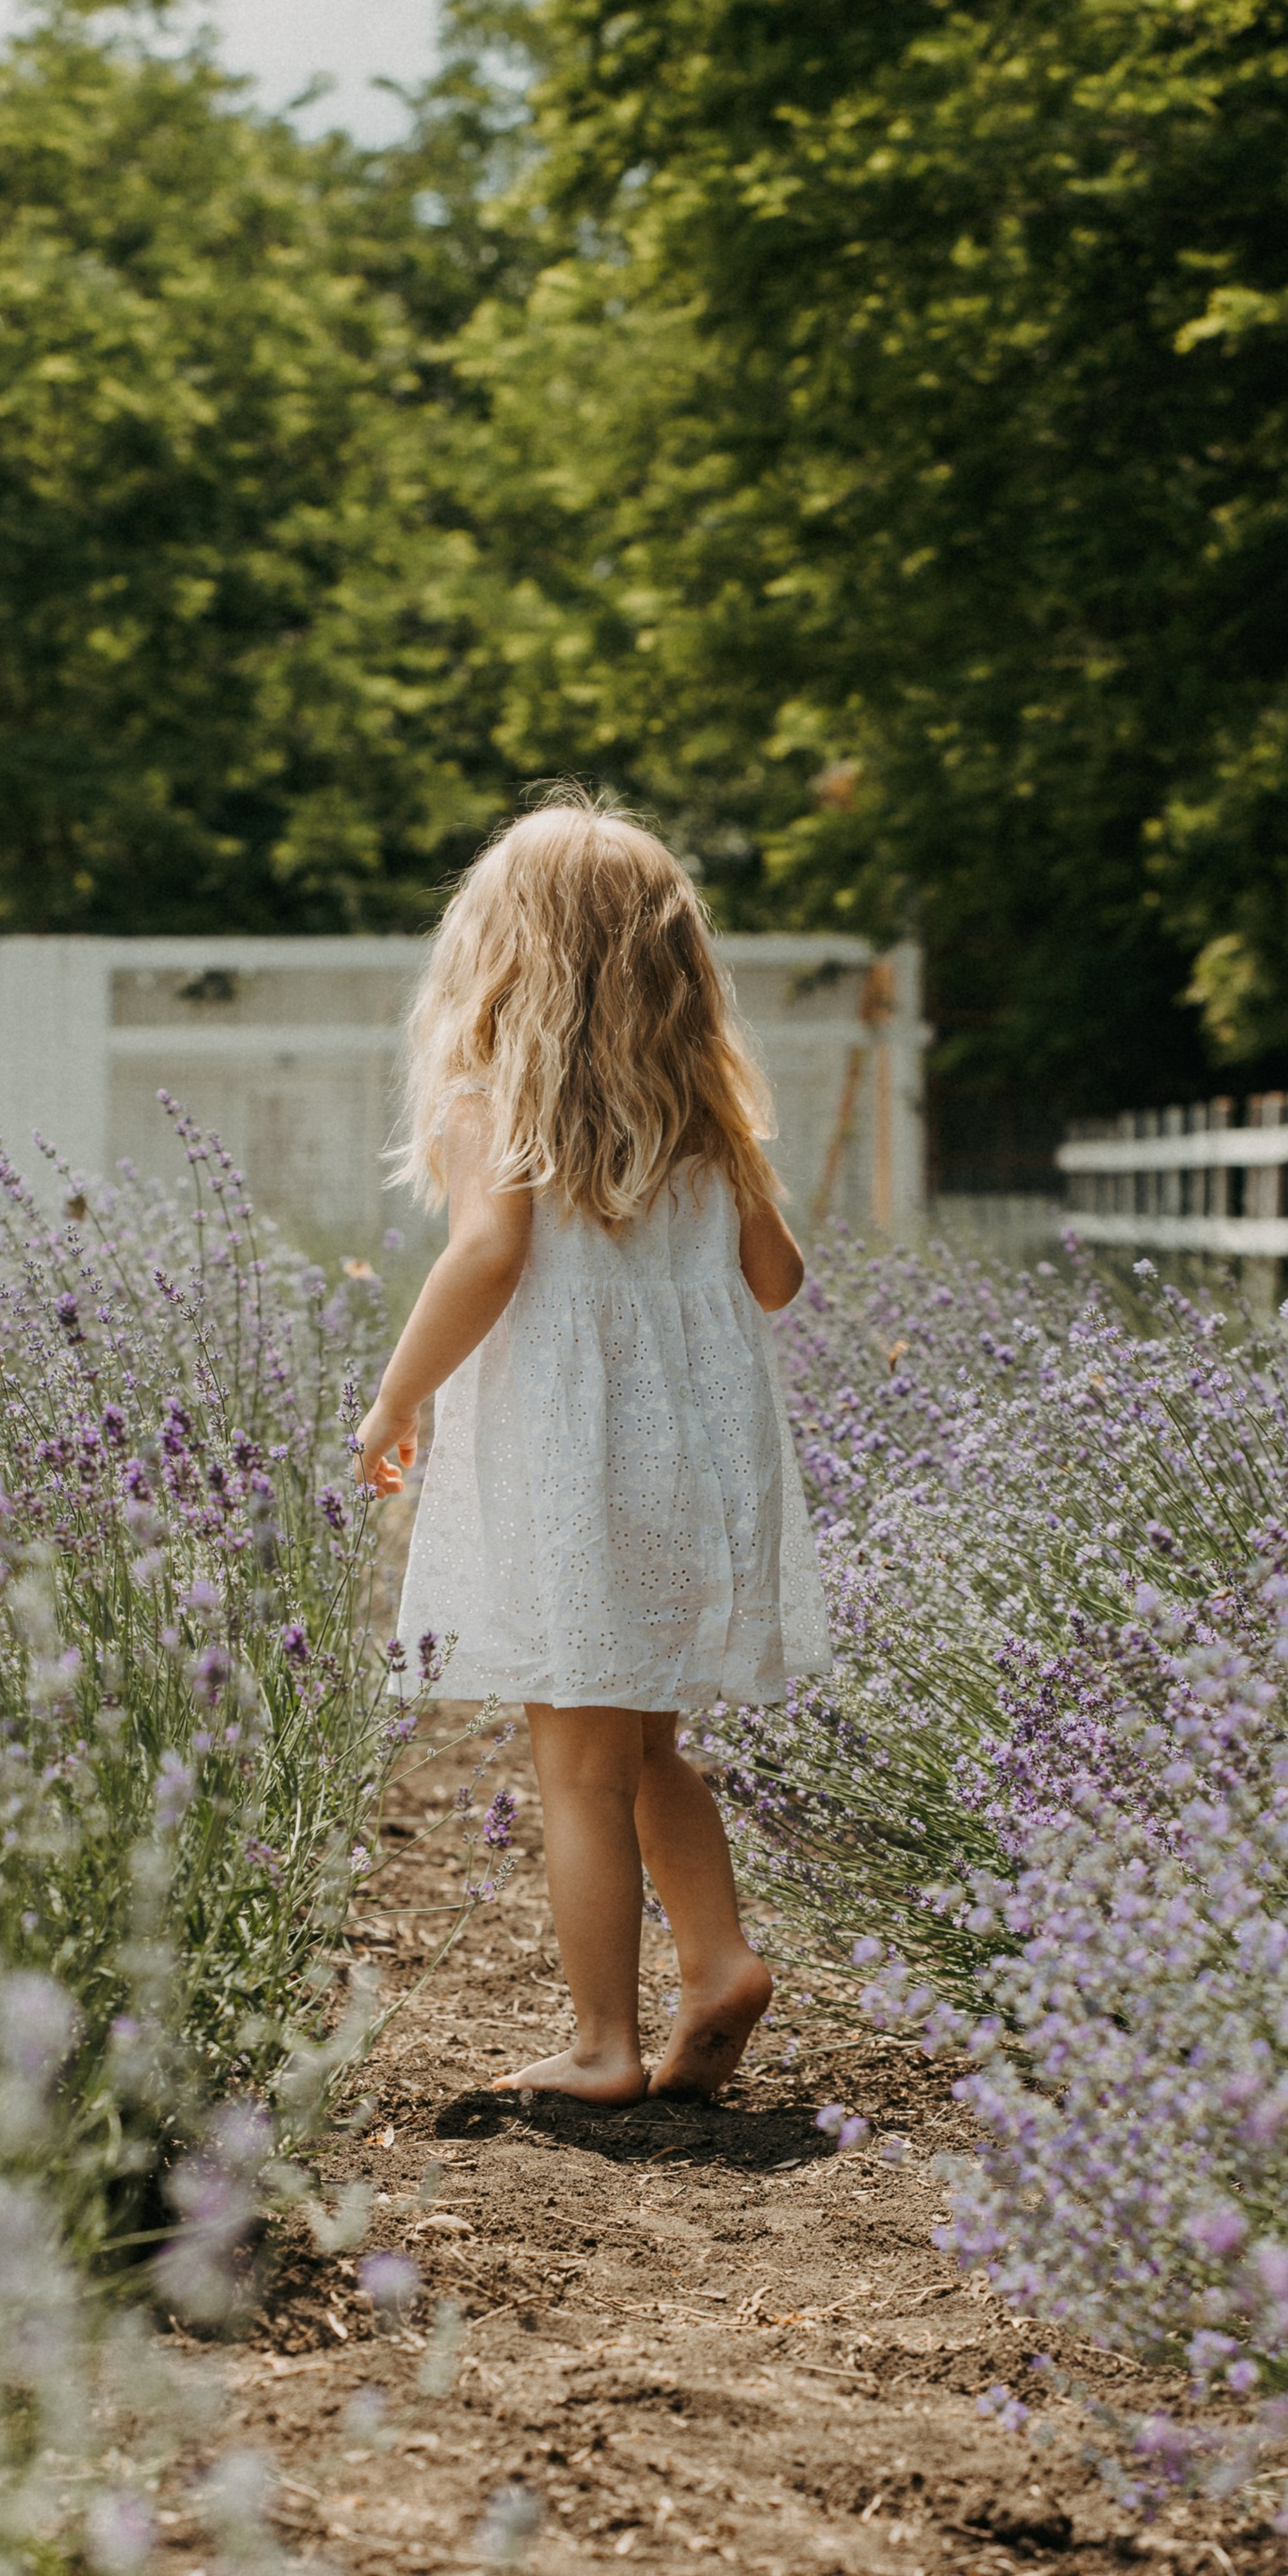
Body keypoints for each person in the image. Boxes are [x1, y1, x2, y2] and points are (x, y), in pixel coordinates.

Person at [356, 795, 831, 2106]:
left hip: (574, 1465)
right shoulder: (708, 1119)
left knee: (572, 1766)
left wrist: (395, 1399)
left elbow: (488, 1255)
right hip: (692, 1465)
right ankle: (721, 1957)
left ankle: (601, 2045)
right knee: (646, 1749)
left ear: (509, 952)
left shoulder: (486, 1098)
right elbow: (779, 1279)